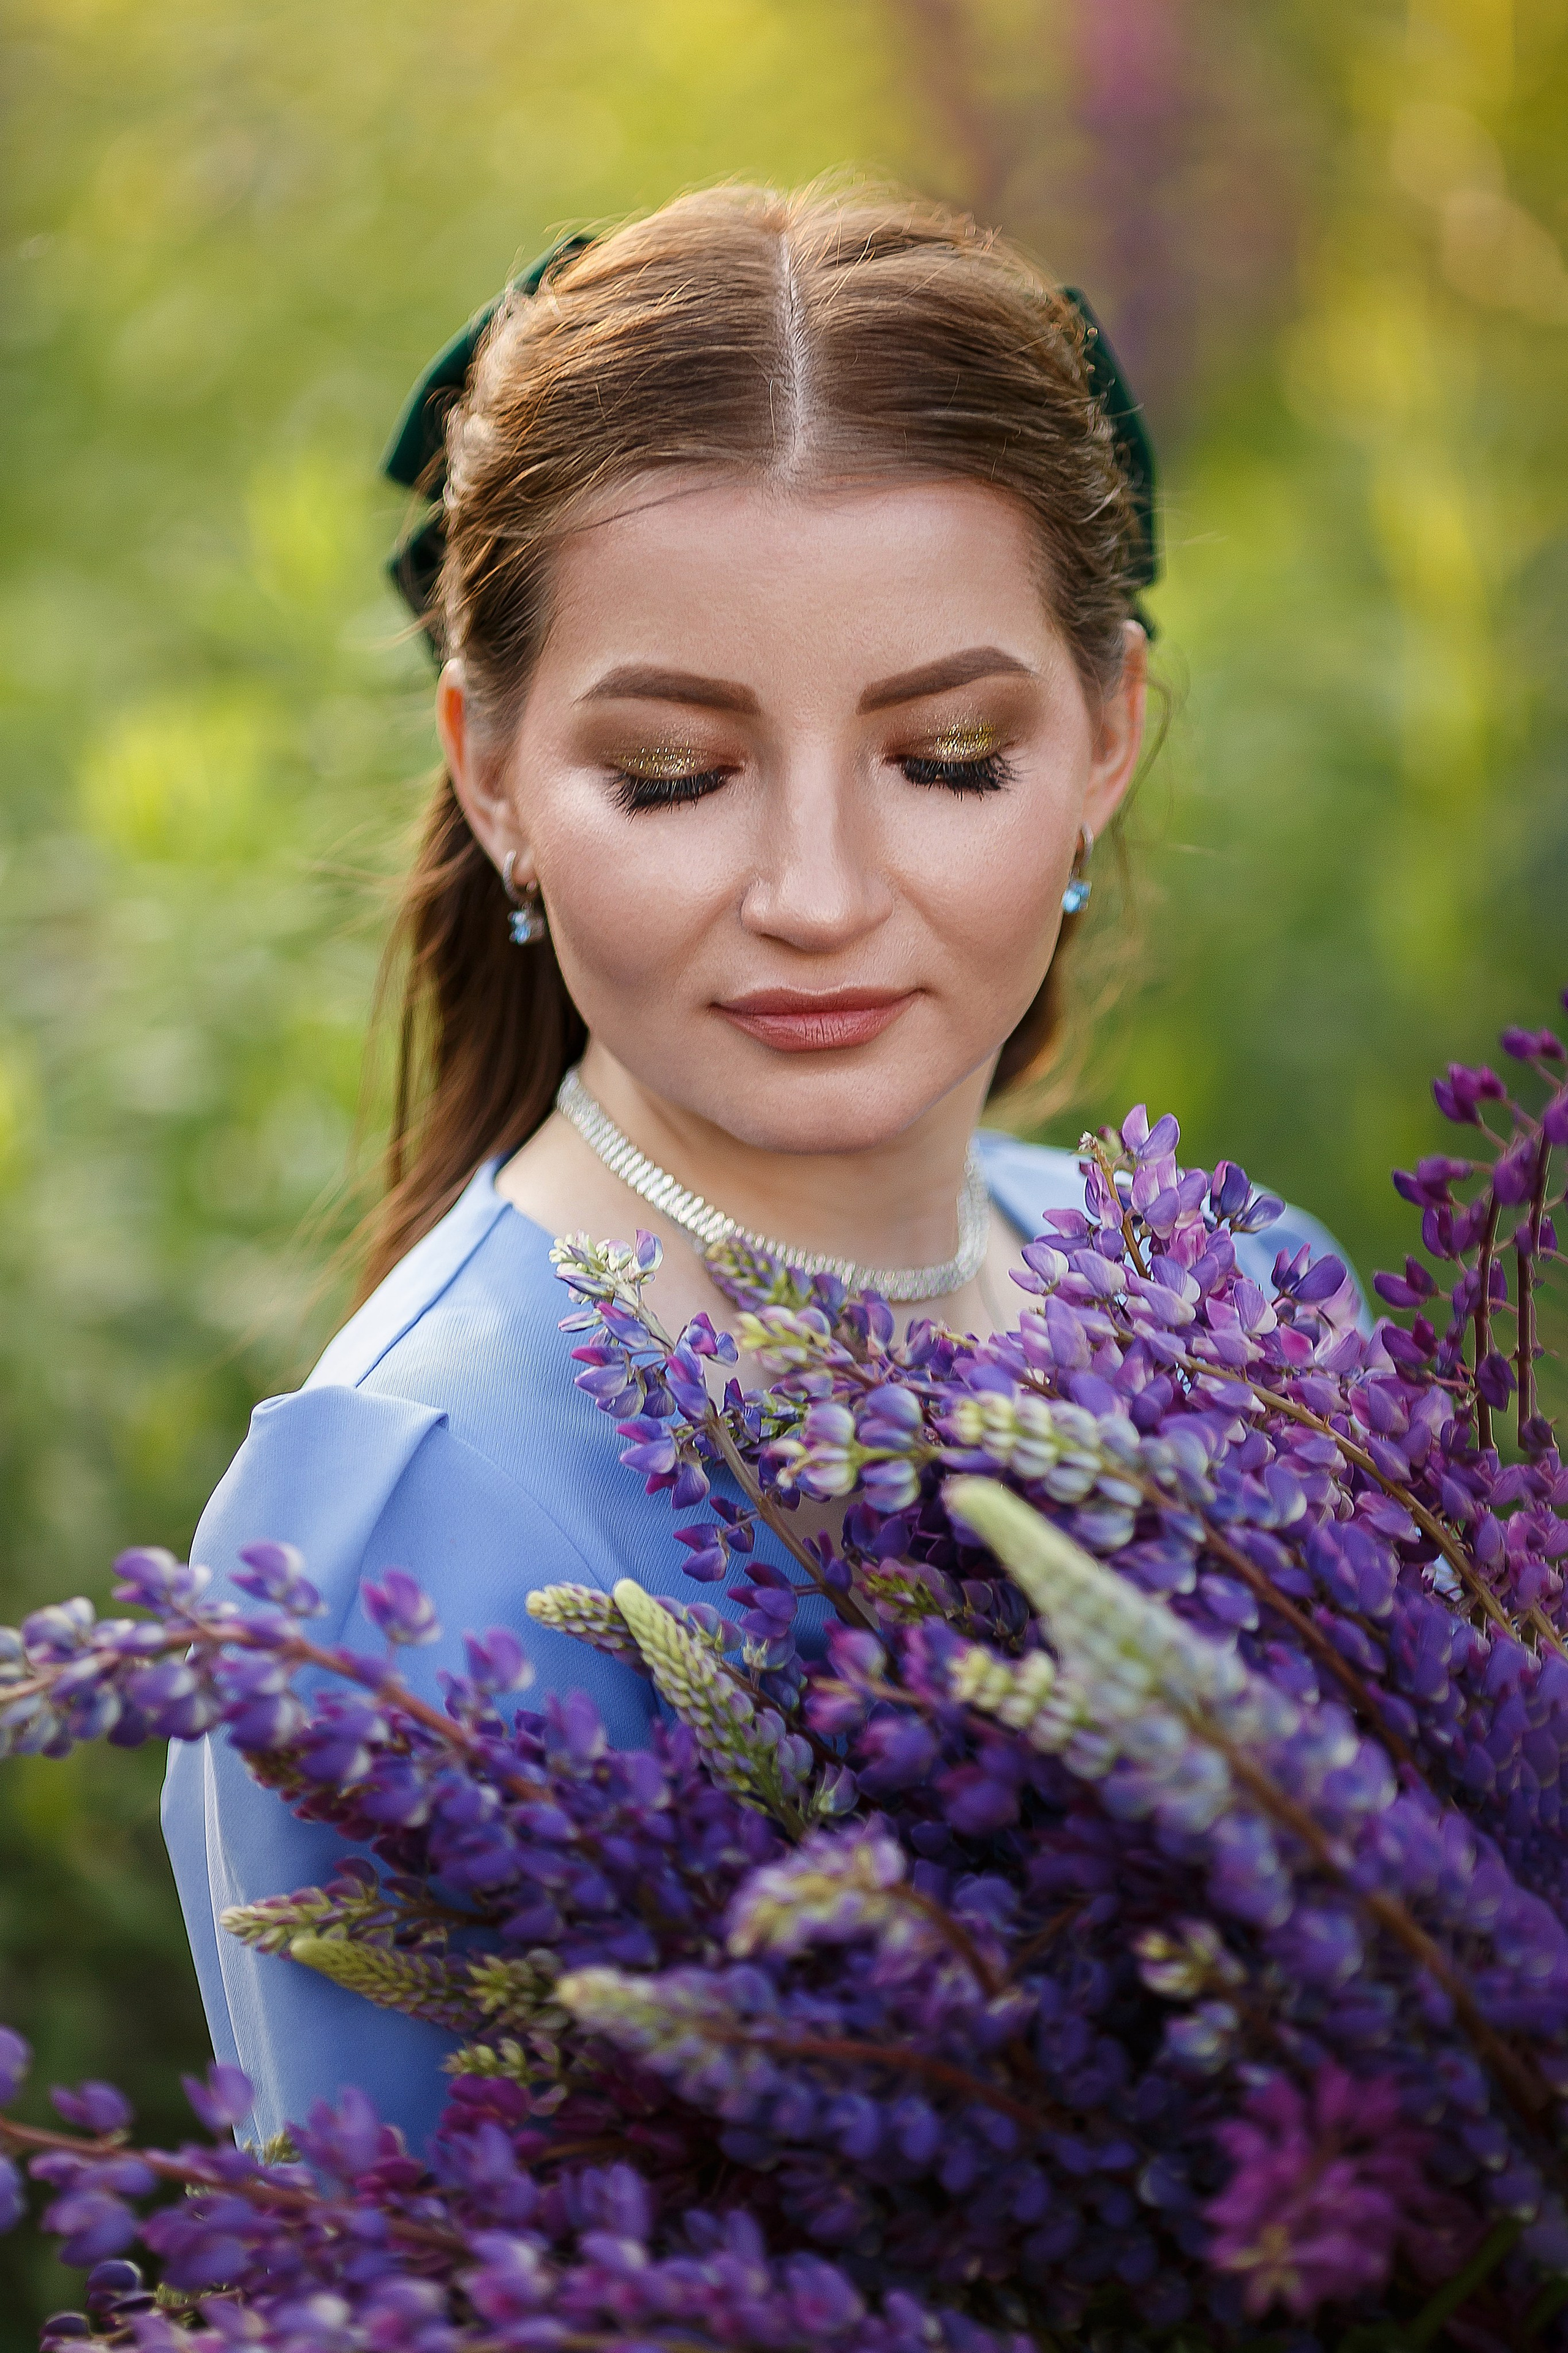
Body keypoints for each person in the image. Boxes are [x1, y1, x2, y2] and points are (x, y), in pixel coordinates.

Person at [162, 182, 1350, 2154]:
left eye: (948, 755)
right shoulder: (403, 1539)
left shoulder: (1249, 1294)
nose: (817, 896)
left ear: (1110, 732)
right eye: (674, 774)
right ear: (491, 773)